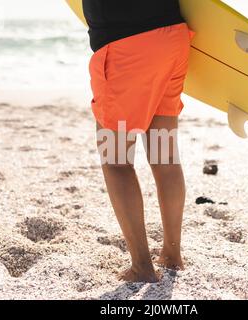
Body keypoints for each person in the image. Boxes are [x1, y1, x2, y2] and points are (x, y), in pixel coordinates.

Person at [83, 0, 194, 283]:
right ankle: (172, 255)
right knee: (164, 156)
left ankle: (142, 267)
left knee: (116, 161)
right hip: (171, 39)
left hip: (126, 50)